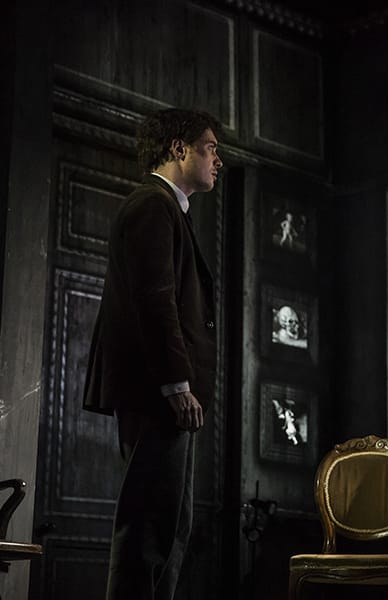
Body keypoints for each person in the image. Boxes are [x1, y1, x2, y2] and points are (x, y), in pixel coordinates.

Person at [83, 108, 223, 600]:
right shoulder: (152, 205)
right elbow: (154, 299)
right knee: (147, 529)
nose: (218, 160)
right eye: (210, 147)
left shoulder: (169, 209)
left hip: (165, 394)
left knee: (170, 528)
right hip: (157, 393)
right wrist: (177, 384)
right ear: (178, 149)